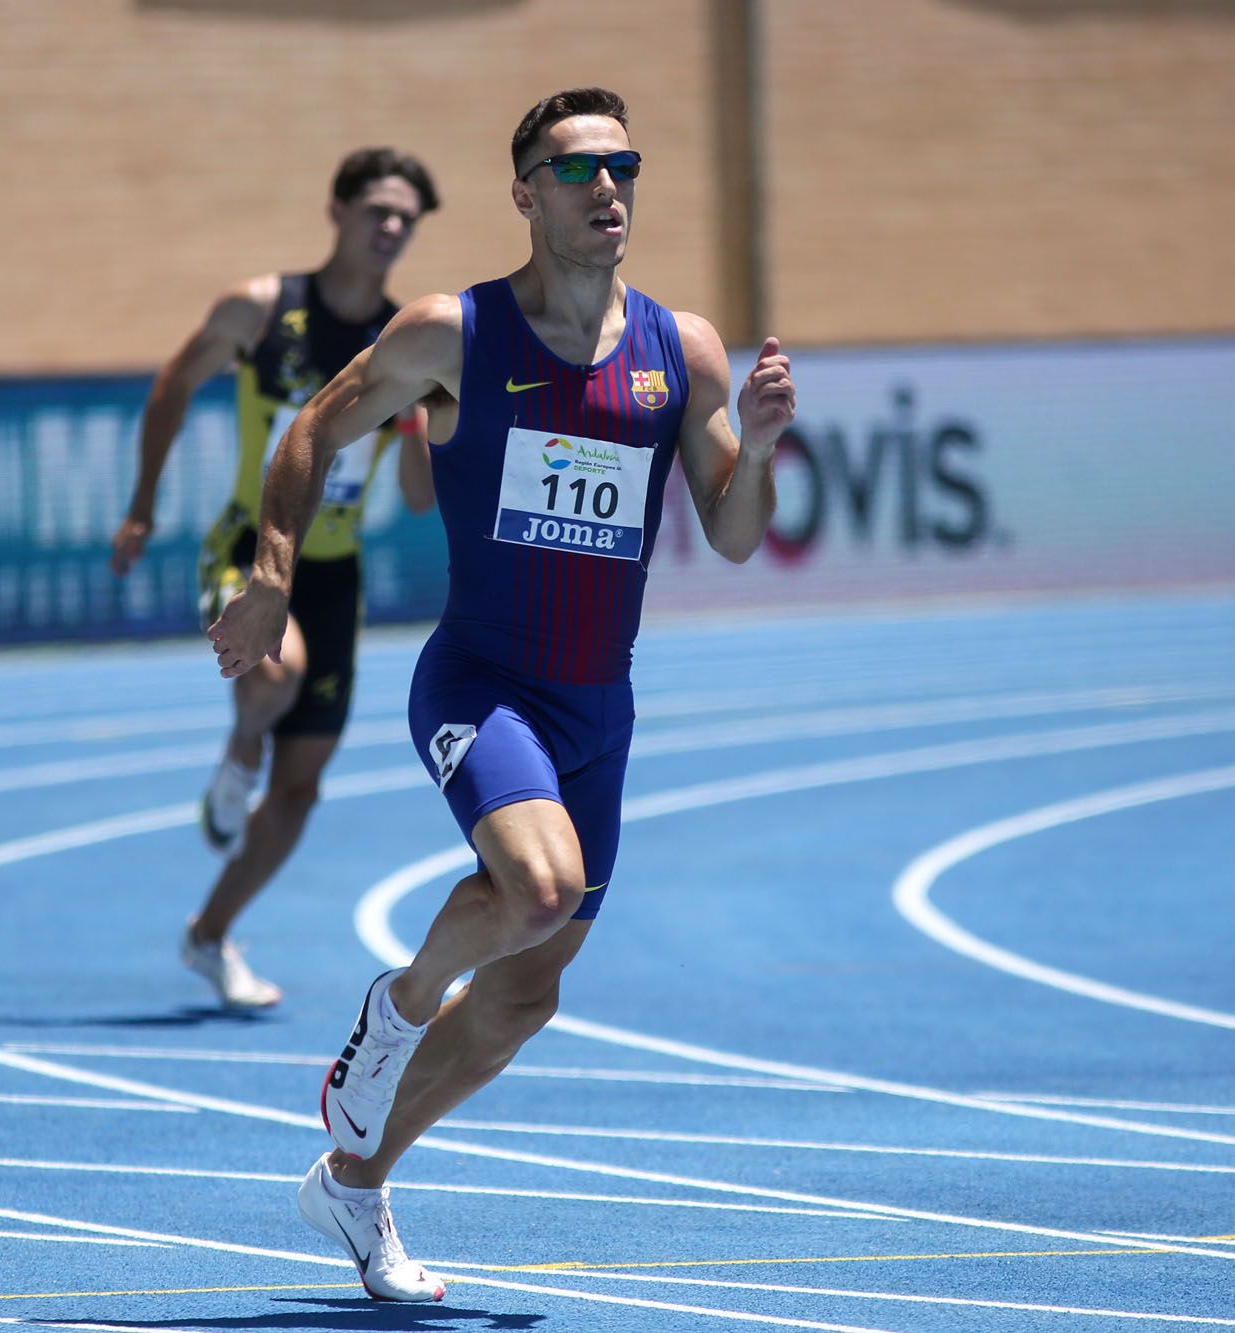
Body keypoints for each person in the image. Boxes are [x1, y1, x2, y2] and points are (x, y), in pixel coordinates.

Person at [208, 88, 795, 1302]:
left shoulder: (676, 350)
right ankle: (398, 1003)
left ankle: (354, 1182)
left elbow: (732, 531)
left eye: (620, 165)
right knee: (532, 888)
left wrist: (768, 444)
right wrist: (271, 578)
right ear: (523, 193)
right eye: (574, 170)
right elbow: (313, 429)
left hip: (599, 706)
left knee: (528, 990)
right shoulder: (454, 334)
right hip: (481, 680)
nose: (605, 188)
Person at [110, 147, 439, 1011]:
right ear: (336, 212)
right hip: (250, 546)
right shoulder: (260, 311)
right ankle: (237, 753)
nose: (392, 229)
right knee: (274, 674)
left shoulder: (411, 343)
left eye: (407, 217)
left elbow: (413, 497)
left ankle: (207, 934)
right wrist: (142, 505)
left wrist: (423, 423)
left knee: (298, 794)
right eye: (378, 210)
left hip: (339, 575)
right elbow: (172, 385)